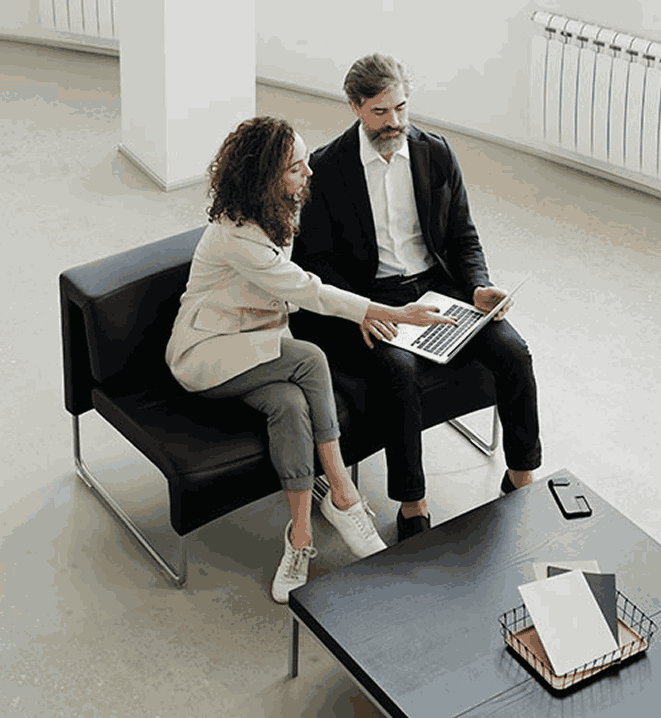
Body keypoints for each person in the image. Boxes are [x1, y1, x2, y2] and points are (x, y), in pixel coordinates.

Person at [165, 116, 456, 603]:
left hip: (256, 346)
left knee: (289, 405)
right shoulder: (236, 235)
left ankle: (299, 537)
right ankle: (343, 495)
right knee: (310, 359)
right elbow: (306, 290)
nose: (309, 172)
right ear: (265, 178)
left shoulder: (277, 211)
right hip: (208, 353)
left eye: (305, 161)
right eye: (296, 167)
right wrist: (390, 312)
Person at [291, 54, 542, 542]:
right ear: (355, 107)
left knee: (514, 351)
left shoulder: (435, 153)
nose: (395, 121)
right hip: (374, 296)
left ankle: (520, 478)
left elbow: (463, 236)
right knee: (398, 372)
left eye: (401, 108)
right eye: (381, 112)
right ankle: (413, 504)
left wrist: (477, 287)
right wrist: (364, 311)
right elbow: (315, 260)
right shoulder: (328, 168)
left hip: (438, 287)